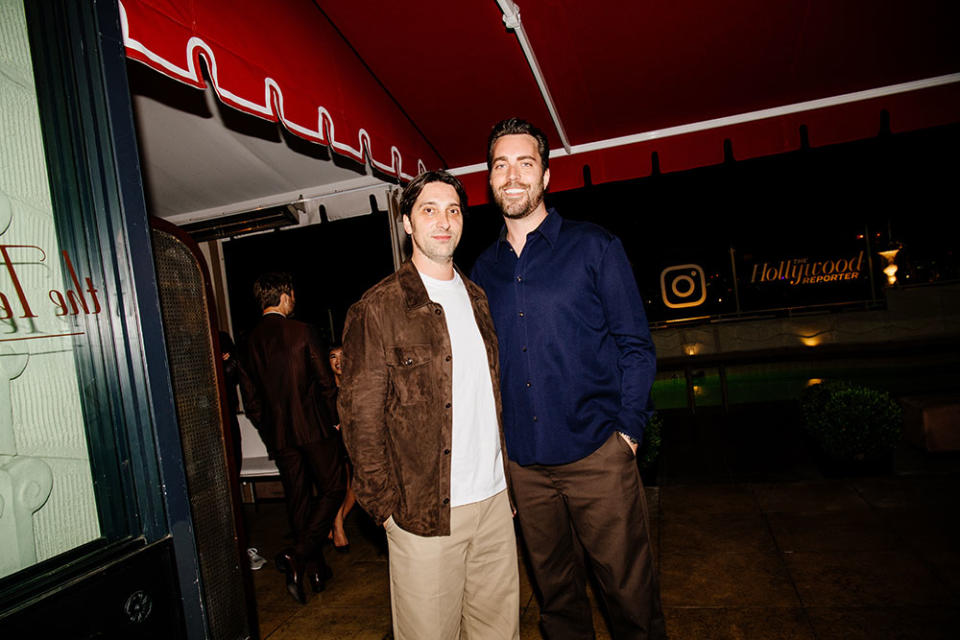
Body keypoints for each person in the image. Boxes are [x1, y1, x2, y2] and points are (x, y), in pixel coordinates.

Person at [471, 118, 666, 640]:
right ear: (489, 178)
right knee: (557, 604)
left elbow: (636, 346)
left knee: (629, 598)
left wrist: (626, 432)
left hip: (597, 456)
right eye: (501, 165)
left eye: (525, 163)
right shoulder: (480, 272)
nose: (513, 175)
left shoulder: (594, 246)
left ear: (547, 176)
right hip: (526, 469)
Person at [339, 170, 519, 640]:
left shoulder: (478, 298)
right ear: (407, 224)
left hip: (495, 503)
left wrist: (508, 492)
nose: (444, 221)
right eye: (429, 210)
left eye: (453, 210)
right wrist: (386, 510)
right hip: (424, 515)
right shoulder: (377, 309)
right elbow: (360, 417)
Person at [239, 272, 345, 605]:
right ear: (284, 296)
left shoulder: (248, 343)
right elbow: (326, 383)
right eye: (293, 295)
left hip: (281, 436)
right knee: (334, 487)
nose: (294, 300)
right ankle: (299, 555)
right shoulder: (302, 332)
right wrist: (334, 421)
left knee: (298, 500)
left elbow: (251, 401)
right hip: (314, 428)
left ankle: (314, 570)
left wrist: (271, 429)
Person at [218, 330, 267, 571]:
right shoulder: (183, 342)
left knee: (232, 482)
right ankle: (223, 552)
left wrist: (225, 363)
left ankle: (239, 549)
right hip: (199, 423)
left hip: (227, 420)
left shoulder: (220, 336)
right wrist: (220, 362)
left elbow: (233, 371)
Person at [326, 343, 355, 551]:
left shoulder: (359, 386)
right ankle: (338, 528)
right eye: (333, 357)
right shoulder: (325, 391)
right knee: (339, 481)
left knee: (359, 483)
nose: (338, 361)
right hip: (334, 444)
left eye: (343, 356)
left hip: (357, 443)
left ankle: (337, 522)